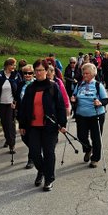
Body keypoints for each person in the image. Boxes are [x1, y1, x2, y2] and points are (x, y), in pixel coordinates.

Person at [18, 59, 67, 191]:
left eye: (41, 70)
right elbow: (23, 108)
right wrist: (22, 125)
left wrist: (62, 123)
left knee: (49, 153)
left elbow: (60, 106)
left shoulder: (53, 87)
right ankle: (42, 171)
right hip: (33, 126)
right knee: (34, 153)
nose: (38, 73)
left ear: (46, 71)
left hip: (49, 126)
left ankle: (49, 179)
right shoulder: (30, 88)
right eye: (36, 70)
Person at [71, 63, 108, 169]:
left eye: (87, 73)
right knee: (81, 136)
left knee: (96, 137)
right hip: (81, 115)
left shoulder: (98, 85)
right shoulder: (80, 85)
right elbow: (74, 95)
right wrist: (73, 99)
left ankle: (95, 159)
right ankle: (88, 149)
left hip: (96, 115)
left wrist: (99, 102)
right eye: (83, 73)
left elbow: (106, 100)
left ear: (93, 74)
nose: (84, 75)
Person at [0, 58, 19, 154]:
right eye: (12, 65)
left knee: (10, 123)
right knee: (4, 123)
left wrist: (16, 101)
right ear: (7, 65)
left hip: (11, 103)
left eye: (15, 65)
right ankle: (8, 138)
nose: (14, 67)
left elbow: (19, 88)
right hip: (1, 103)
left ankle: (12, 144)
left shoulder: (16, 75)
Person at [15, 64, 36, 169]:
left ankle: (31, 158)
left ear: (33, 73)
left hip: (33, 114)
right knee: (24, 137)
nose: (27, 75)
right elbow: (17, 97)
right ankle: (36, 149)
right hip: (22, 115)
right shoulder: (20, 84)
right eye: (25, 73)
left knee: (32, 137)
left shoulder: (36, 84)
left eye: (30, 73)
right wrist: (15, 104)